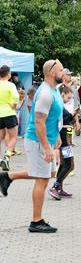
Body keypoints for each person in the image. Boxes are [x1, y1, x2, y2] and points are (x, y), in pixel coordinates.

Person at [0, 59, 65, 233]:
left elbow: (53, 118)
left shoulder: (54, 90)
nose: (63, 73)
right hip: (38, 141)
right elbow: (39, 122)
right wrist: (47, 147)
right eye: (60, 70)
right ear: (52, 72)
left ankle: (8, 177)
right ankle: (36, 221)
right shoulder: (45, 93)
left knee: (49, 173)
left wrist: (56, 136)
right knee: (42, 179)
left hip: (47, 139)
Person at [48, 85, 76, 200]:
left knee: (65, 163)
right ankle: (56, 186)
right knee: (69, 164)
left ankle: (59, 188)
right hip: (63, 136)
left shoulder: (58, 104)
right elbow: (62, 119)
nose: (68, 100)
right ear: (62, 94)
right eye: (68, 97)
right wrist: (73, 114)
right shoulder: (58, 105)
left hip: (64, 135)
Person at [0, 65, 20, 170]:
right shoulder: (10, 85)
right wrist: (14, 105)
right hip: (9, 113)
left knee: (0, 137)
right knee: (13, 137)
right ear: (8, 74)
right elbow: (16, 97)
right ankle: (6, 157)